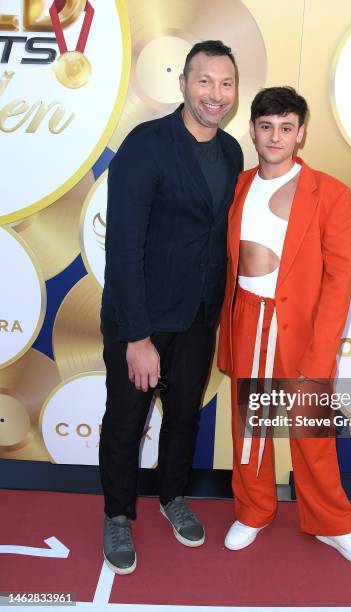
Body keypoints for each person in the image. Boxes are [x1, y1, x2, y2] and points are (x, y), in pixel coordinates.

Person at [217, 86, 351, 568]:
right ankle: (253, 510)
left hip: (303, 327)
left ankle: (332, 524)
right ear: (252, 129)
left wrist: (322, 348)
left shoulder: (329, 193)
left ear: (301, 133)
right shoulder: (238, 184)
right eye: (266, 127)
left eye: (286, 127)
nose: (275, 137)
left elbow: (338, 280)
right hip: (247, 315)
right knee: (250, 427)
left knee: (311, 432)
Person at [99, 40, 243, 575]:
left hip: (199, 318)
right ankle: (117, 514)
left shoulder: (230, 152)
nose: (216, 94)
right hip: (142, 319)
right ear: (183, 83)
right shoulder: (147, 144)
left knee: (183, 418)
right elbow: (124, 245)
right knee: (126, 422)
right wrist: (136, 336)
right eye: (204, 81)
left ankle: (171, 495)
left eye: (225, 83)